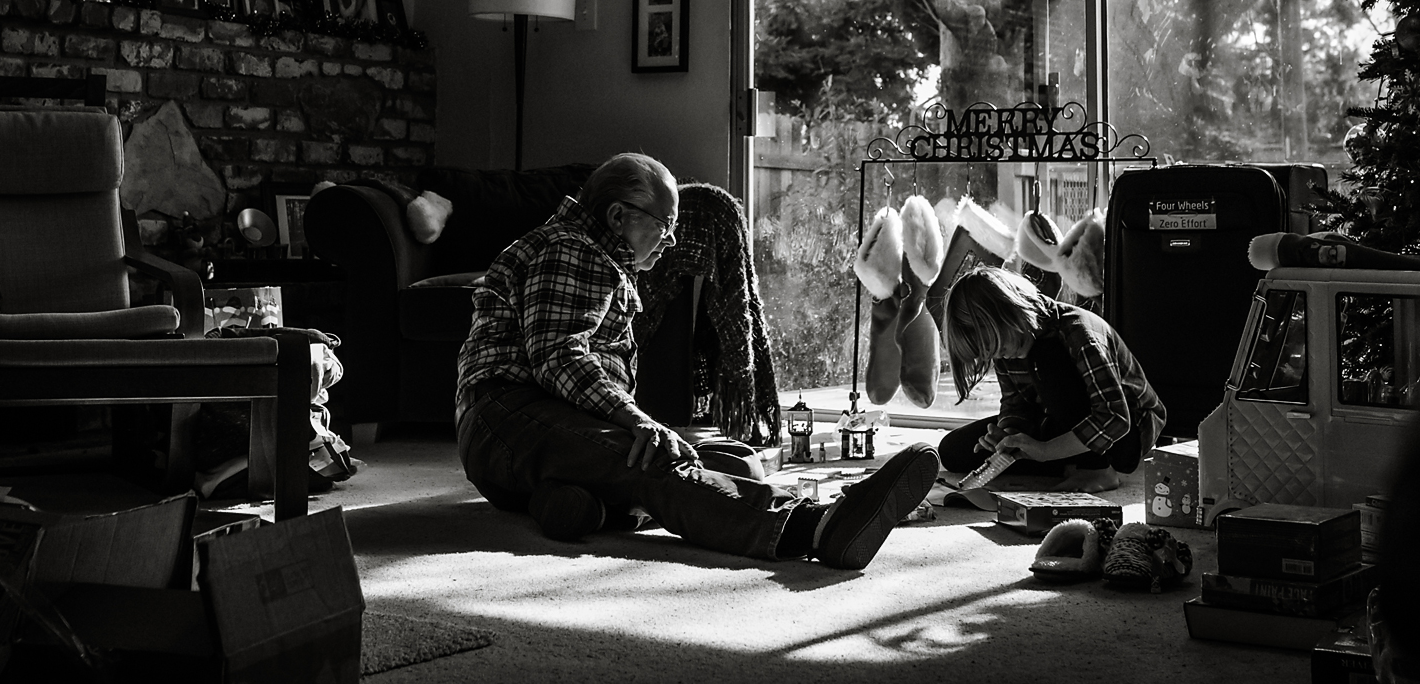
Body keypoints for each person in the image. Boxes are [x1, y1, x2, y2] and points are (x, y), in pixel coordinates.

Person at [456, 151, 938, 568]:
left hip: (534, 439)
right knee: (653, 460)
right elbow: (559, 359)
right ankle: (811, 527)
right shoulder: (575, 250)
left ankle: (586, 507)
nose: (669, 240)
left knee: (736, 464)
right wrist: (637, 421)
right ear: (618, 217)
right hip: (506, 417)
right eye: (665, 224)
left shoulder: (601, 258)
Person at [938, 265, 1165, 490]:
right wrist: (1008, 436)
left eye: (994, 346)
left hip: (1124, 437)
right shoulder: (1010, 341)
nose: (997, 355)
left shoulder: (1078, 332)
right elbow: (1017, 404)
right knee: (953, 451)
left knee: (1046, 356)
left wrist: (1046, 451)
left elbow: (1115, 418)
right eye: (988, 352)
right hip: (1058, 421)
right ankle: (1067, 460)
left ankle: (1096, 470)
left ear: (1010, 314)